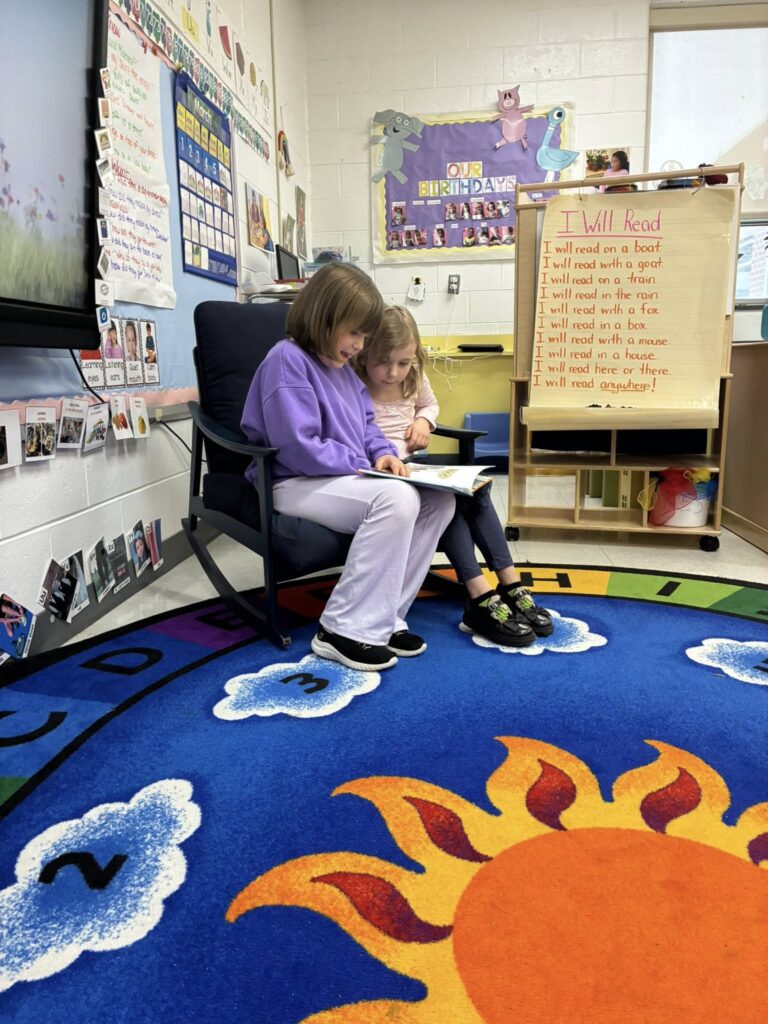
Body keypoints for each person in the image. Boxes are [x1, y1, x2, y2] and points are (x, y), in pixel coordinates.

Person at [240, 263, 455, 672]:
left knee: (438, 503)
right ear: (326, 317)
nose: (359, 346)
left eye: (364, 336)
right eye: (354, 332)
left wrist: (381, 455)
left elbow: (368, 427)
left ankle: (383, 619)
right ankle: (340, 629)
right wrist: (364, 465)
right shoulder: (287, 360)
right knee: (396, 498)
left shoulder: (343, 373)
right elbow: (297, 447)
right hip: (292, 480)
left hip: (338, 477)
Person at [354, 306, 554, 647]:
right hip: (379, 473)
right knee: (446, 499)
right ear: (364, 352)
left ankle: (509, 583)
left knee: (476, 491)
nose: (393, 372)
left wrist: (423, 422)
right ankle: (479, 593)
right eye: (383, 362)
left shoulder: (414, 375)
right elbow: (351, 428)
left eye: (403, 362)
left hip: (415, 466)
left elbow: (429, 406)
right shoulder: (353, 381)